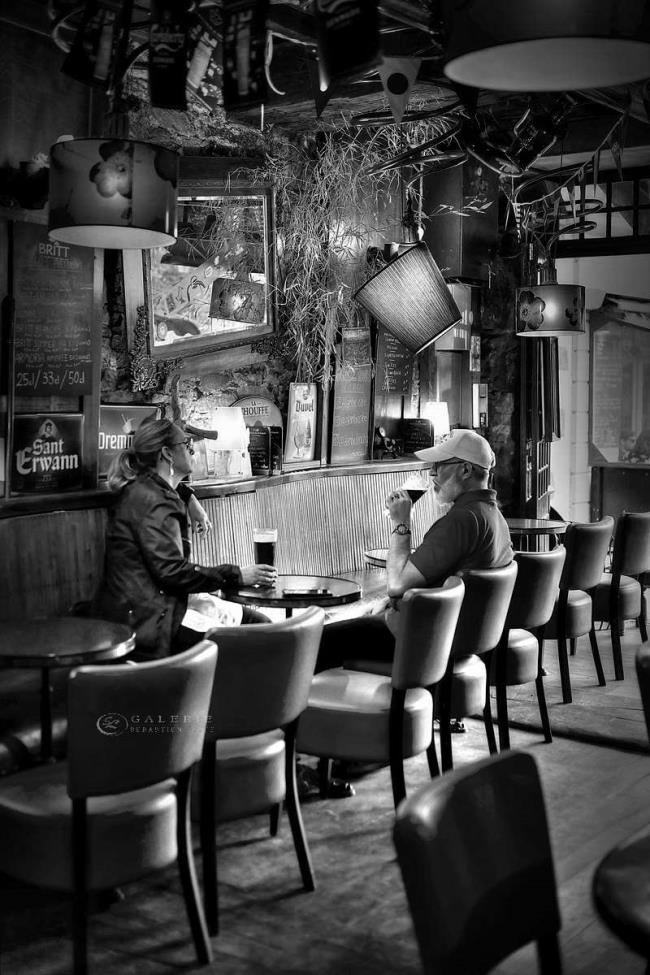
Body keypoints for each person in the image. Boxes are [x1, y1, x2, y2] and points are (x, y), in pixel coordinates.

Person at [316, 429, 513, 672]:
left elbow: (397, 584)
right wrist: (393, 603)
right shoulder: (494, 517)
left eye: (440, 465)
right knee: (359, 616)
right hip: (456, 637)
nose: (432, 473)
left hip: (421, 640)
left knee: (312, 641)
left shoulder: (462, 521)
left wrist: (401, 522)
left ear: (465, 470)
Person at [97, 418, 276, 660]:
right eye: (186, 444)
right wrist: (235, 574)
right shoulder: (153, 501)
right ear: (167, 454)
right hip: (148, 620)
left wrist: (188, 496)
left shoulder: (149, 490)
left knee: (260, 623)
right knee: (261, 636)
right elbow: (172, 572)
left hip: (160, 605)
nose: (192, 449)